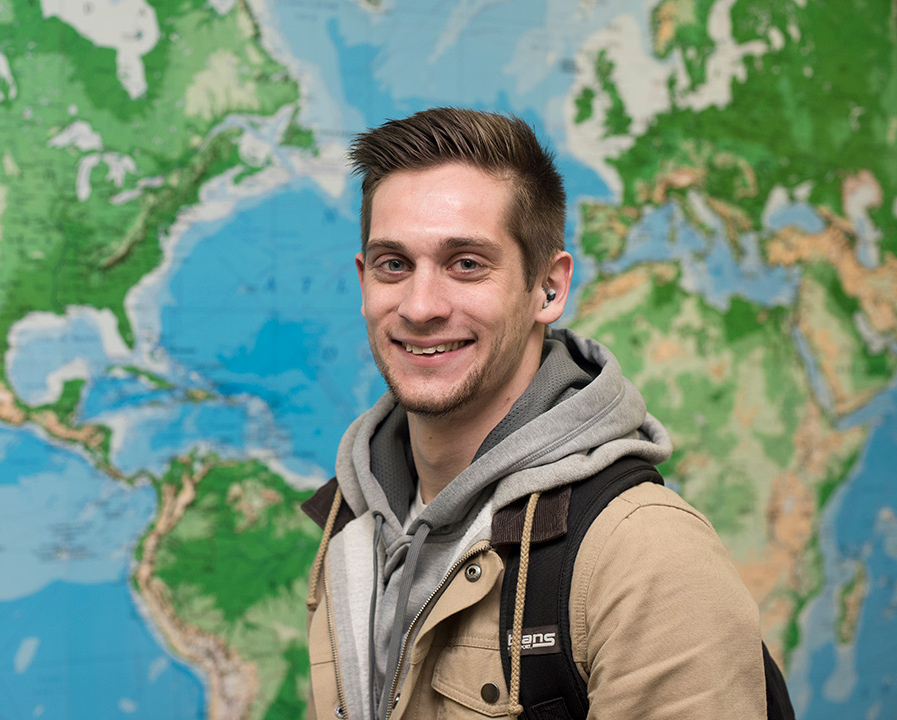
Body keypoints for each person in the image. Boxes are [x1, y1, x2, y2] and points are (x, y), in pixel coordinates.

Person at [301, 108, 766, 720]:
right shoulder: (354, 525)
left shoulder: (648, 557)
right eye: (394, 264)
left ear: (548, 287)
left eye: (466, 263)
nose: (419, 305)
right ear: (365, 282)